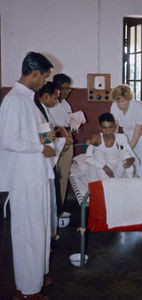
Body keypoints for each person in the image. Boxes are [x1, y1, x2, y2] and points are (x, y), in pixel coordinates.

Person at [0, 52, 55, 299]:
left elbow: (35, 132)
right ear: (34, 74)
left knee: (40, 229)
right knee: (28, 234)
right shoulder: (13, 101)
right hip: (25, 178)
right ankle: (27, 289)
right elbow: (9, 140)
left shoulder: (29, 100)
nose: (45, 83)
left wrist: (48, 138)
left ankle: (37, 275)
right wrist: (41, 147)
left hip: (38, 174)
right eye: (44, 78)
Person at [35, 81, 72, 238]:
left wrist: (59, 137)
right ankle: (47, 232)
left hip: (48, 160)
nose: (57, 100)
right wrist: (63, 141)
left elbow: (48, 137)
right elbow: (43, 142)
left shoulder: (44, 110)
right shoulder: (37, 112)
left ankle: (51, 229)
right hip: (41, 162)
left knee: (54, 192)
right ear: (45, 96)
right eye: (55, 97)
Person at [83, 112, 136, 184]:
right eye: (104, 128)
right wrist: (104, 167)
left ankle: (130, 182)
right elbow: (88, 158)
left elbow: (128, 150)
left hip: (118, 170)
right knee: (99, 153)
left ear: (114, 126)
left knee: (125, 152)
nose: (108, 131)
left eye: (110, 127)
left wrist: (132, 158)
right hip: (103, 171)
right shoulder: (96, 138)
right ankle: (106, 185)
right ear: (100, 128)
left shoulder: (121, 137)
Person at [110, 84, 142, 177]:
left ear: (129, 99)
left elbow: (136, 136)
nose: (119, 105)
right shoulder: (114, 106)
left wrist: (127, 151)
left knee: (139, 166)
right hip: (127, 136)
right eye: (117, 102)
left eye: (122, 101)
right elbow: (115, 127)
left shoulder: (139, 107)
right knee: (127, 165)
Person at [49, 74, 73, 208]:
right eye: (64, 88)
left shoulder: (66, 104)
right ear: (56, 87)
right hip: (56, 139)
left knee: (64, 174)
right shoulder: (50, 103)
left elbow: (68, 122)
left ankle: (60, 206)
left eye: (68, 89)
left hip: (68, 138)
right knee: (54, 173)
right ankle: (52, 207)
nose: (66, 92)